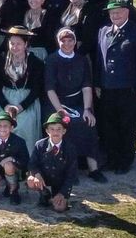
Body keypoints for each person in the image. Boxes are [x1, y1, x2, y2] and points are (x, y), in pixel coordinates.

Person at [95, 0, 136, 174]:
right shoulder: (103, 31)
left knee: (127, 126)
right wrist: (97, 83)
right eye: (112, 13)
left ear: (127, 12)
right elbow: (99, 59)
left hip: (129, 88)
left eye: (118, 12)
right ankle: (111, 159)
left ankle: (125, 161)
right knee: (109, 125)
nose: (115, 15)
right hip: (107, 87)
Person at [45, 27, 106, 183]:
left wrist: (87, 109)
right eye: (63, 41)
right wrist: (59, 110)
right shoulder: (52, 59)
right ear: (58, 42)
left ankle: (93, 168)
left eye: (70, 40)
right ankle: (67, 170)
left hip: (78, 102)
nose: (67, 44)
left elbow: (87, 86)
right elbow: (50, 89)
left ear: (75, 41)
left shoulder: (81, 59)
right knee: (63, 125)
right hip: (57, 103)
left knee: (88, 122)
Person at [0, 26, 45, 154]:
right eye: (12, 43)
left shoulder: (35, 62)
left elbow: (37, 89)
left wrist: (21, 107)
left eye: (18, 44)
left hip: (26, 101)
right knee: (2, 123)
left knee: (24, 123)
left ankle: (25, 163)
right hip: (6, 99)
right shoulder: (0, 61)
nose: (14, 47)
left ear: (26, 44)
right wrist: (5, 105)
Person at [27, 113, 78, 212]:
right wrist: (37, 174)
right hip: (44, 178)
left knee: (59, 208)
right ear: (47, 131)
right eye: (52, 129)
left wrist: (63, 193)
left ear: (64, 131)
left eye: (59, 129)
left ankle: (53, 199)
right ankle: (44, 194)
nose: (55, 132)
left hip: (60, 182)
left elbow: (71, 174)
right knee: (30, 180)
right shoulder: (40, 145)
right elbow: (32, 163)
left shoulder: (70, 148)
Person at [0, 112, 29, 204]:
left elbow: (25, 160)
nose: (2, 128)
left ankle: (14, 190)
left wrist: (11, 158)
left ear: (11, 128)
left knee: (8, 165)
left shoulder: (19, 141)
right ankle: (7, 185)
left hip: (16, 169)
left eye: (6, 126)